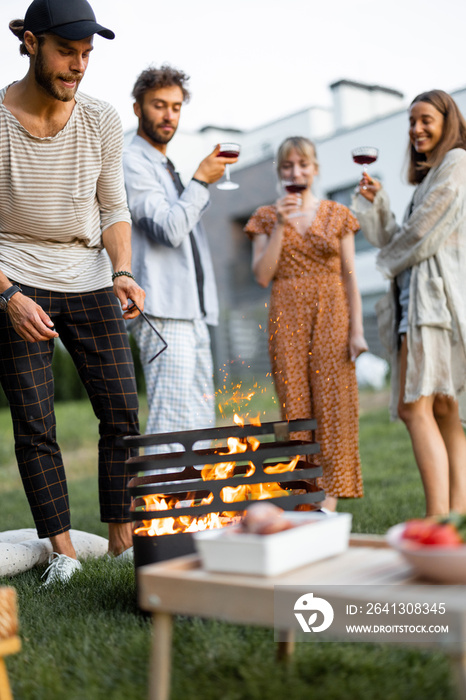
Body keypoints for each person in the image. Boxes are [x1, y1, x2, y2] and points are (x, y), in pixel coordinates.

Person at [0, 0, 146, 585]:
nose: (78, 66)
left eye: (87, 55)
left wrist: (124, 271)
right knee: (36, 424)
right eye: (67, 52)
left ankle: (122, 543)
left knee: (122, 414)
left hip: (89, 278)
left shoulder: (102, 119)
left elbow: (113, 205)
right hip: (14, 278)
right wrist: (8, 297)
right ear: (31, 43)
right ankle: (62, 550)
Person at [353, 89, 466, 517]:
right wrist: (378, 204)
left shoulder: (457, 162)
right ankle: (456, 521)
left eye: (424, 119)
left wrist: (386, 259)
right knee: (443, 409)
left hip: (432, 306)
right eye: (411, 122)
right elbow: (401, 235)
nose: (416, 129)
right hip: (426, 303)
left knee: (412, 407)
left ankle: (438, 518)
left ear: (447, 120)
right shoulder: (434, 174)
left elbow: (418, 238)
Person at [244, 137, 367, 511]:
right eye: (287, 166)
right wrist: (281, 224)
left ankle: (328, 500)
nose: (295, 172)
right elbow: (262, 275)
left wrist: (357, 330)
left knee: (334, 406)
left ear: (315, 168)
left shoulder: (337, 213)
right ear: (280, 172)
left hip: (332, 312)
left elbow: (350, 277)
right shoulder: (266, 216)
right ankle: (305, 495)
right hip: (287, 315)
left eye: (302, 164)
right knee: (295, 408)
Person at [123, 65, 238, 452]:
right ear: (138, 107)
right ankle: (161, 513)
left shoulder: (165, 166)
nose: (169, 114)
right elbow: (170, 229)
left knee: (199, 423)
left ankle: (192, 511)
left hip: (193, 312)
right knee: (170, 425)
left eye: (175, 106)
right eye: (159, 105)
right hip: (163, 312)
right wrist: (202, 180)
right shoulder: (131, 162)